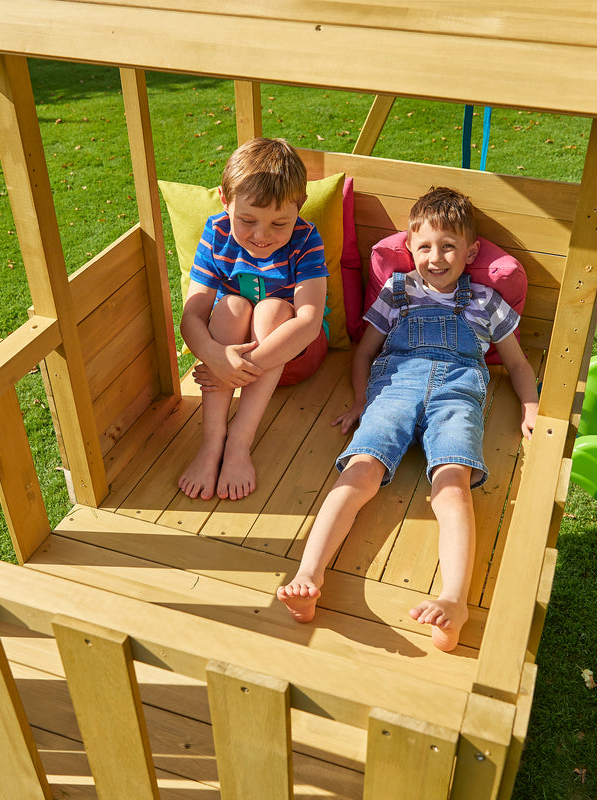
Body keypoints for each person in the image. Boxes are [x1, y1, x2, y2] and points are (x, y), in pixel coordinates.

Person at [277, 186, 539, 651]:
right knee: (360, 470)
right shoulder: (396, 293)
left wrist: (531, 405)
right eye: (424, 247)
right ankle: (308, 574)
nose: (436, 258)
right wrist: (361, 401)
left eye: (449, 246)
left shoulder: (485, 301)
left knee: (452, 485)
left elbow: (517, 364)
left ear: (471, 251)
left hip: (457, 394)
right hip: (395, 388)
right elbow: (365, 354)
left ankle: (454, 602)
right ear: (409, 247)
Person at [178, 138, 329, 502]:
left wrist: (238, 367)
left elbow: (308, 323)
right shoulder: (216, 233)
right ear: (224, 200)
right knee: (231, 306)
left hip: (292, 356)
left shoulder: (306, 240)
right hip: (231, 358)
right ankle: (212, 443)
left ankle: (238, 445)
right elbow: (192, 316)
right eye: (247, 220)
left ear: (300, 207)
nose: (262, 236)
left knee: (272, 309)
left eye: (280, 222)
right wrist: (215, 358)